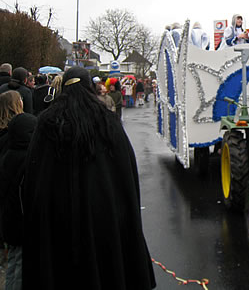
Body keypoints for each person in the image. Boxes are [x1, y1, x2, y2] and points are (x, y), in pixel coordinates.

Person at [22, 67, 156, 289]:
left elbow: (35, 178)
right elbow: (125, 176)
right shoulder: (108, 122)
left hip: (59, 222)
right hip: (104, 219)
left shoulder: (47, 122)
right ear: (90, 87)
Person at [0, 112, 37, 290]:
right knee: (19, 265)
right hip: (21, 222)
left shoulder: (8, 155)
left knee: (13, 263)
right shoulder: (27, 159)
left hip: (9, 221)